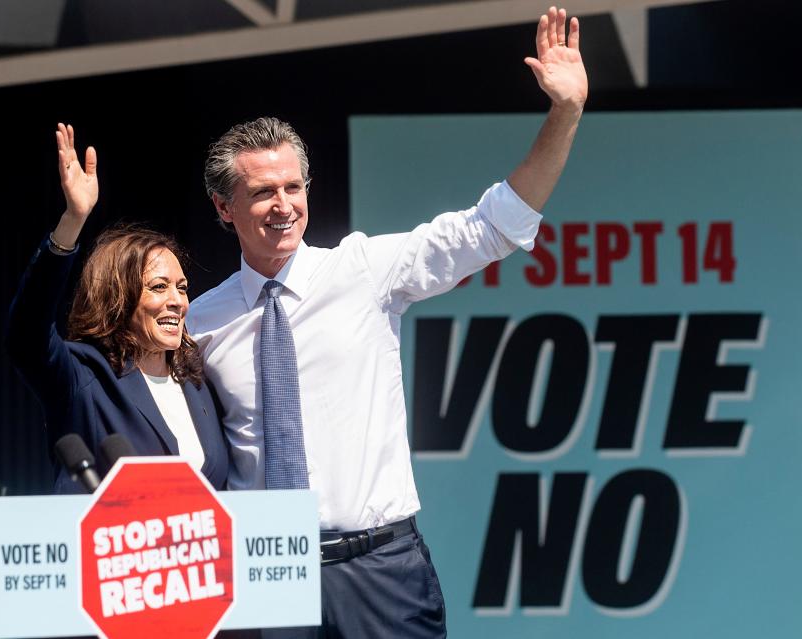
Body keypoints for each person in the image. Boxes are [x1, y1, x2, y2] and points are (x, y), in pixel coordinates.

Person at [188, 6, 587, 636]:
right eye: (263, 193)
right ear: (222, 206)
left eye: (294, 187)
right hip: (264, 572)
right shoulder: (197, 322)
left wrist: (564, 114)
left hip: (379, 566)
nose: (283, 206)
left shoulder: (362, 269)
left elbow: (494, 226)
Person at [7, 123, 229, 493]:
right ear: (118, 299)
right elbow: (26, 333)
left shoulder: (198, 382)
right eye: (159, 287)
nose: (177, 300)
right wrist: (72, 222)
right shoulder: (83, 377)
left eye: (182, 287)